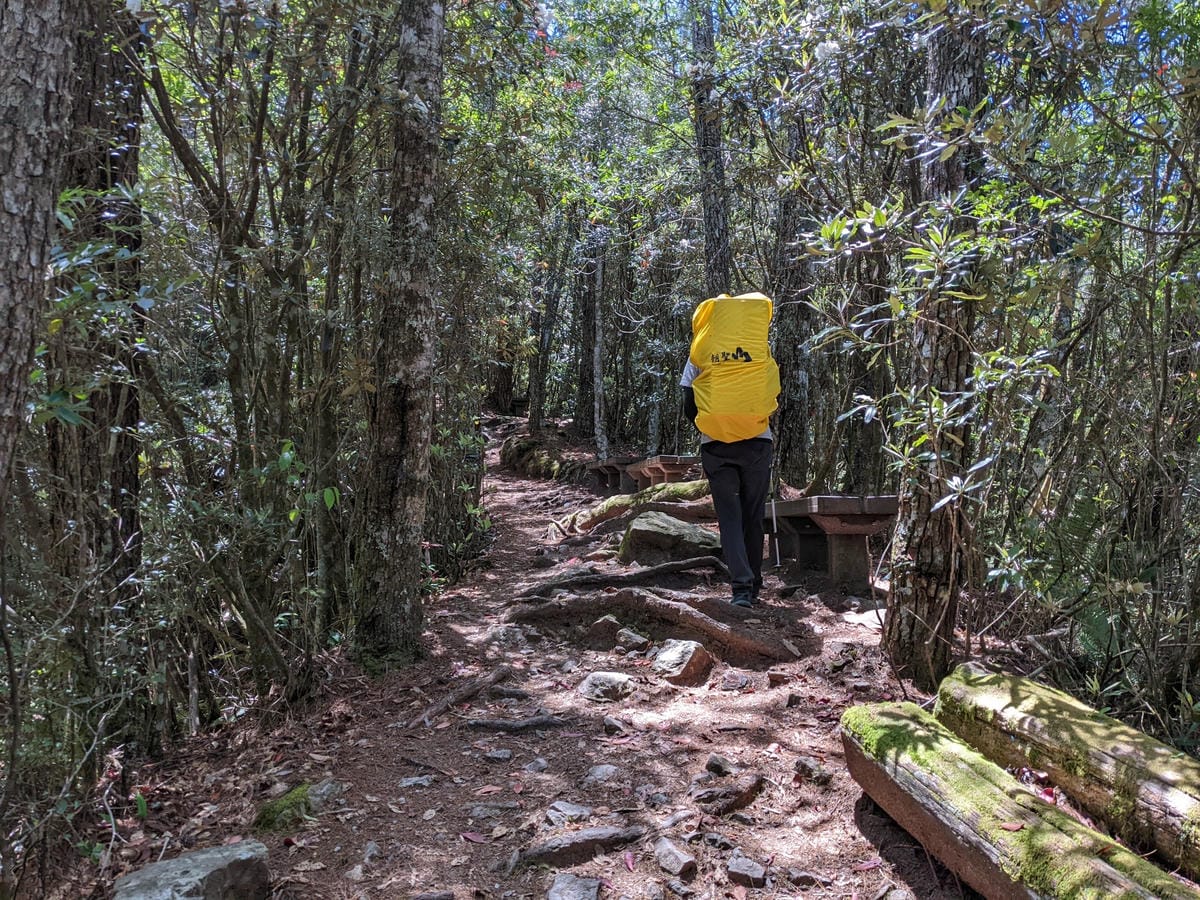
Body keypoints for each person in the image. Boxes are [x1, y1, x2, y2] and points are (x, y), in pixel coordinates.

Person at [680, 292, 781, 608]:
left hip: (716, 444)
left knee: (730, 517)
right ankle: (754, 587)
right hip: (757, 442)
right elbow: (770, 394)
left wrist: (709, 427)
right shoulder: (758, 350)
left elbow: (688, 403)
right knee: (753, 516)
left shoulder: (701, 351)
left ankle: (740, 590)